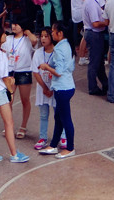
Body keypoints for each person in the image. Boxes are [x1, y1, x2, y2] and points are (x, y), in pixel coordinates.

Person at [0, 25, 30, 165]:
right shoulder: (1, 55)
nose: (5, 35)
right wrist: (11, 90)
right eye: (3, 34)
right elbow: (4, 78)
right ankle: (14, 154)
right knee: (9, 123)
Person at [38, 22, 76, 159]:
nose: (52, 33)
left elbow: (58, 72)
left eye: (53, 31)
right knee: (58, 118)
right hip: (67, 85)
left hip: (62, 88)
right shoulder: (67, 45)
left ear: (60, 33)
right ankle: (53, 145)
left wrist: (46, 67)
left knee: (65, 119)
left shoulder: (59, 49)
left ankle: (70, 148)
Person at [2, 19, 37, 140]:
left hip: (24, 71)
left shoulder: (28, 39)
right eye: (13, 24)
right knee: (8, 100)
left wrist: (27, 31)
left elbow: (35, 40)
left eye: (17, 24)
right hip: (10, 71)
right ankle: (9, 124)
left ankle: (23, 126)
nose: (14, 26)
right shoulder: (8, 39)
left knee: (25, 100)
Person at [32, 27, 66, 151]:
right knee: (43, 114)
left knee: (59, 114)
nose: (43, 39)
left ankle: (63, 137)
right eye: (41, 36)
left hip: (55, 87)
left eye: (46, 36)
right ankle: (43, 138)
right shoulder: (38, 53)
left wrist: (51, 88)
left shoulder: (57, 52)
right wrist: (45, 88)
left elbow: (60, 71)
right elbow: (35, 72)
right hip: (43, 88)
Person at [82, 0, 109, 96]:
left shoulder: (92, 0)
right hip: (94, 34)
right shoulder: (91, 3)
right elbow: (95, 23)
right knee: (94, 62)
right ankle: (92, 87)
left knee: (98, 61)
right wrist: (106, 22)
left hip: (94, 33)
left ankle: (105, 83)